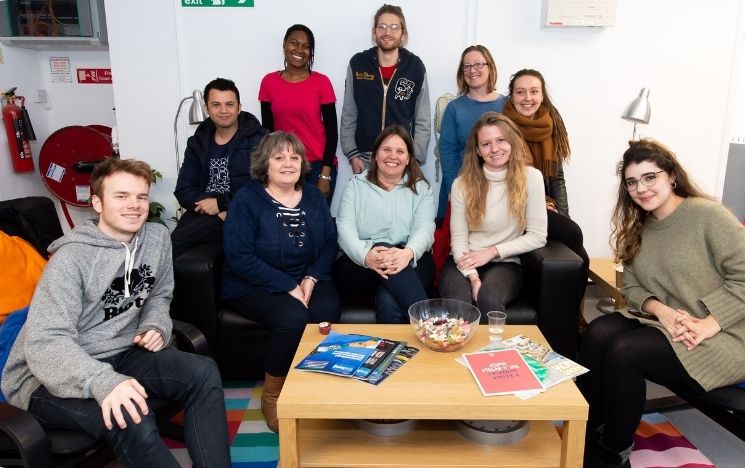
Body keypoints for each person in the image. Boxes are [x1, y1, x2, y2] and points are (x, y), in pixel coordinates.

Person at [1, 158, 230, 467]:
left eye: (141, 196)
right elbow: (46, 344)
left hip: (122, 350)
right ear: (97, 202)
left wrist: (155, 323)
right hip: (49, 375)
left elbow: (160, 294)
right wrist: (104, 382)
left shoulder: (156, 238)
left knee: (203, 372)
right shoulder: (70, 260)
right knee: (131, 414)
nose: (133, 205)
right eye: (121, 196)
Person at [577, 139, 745, 468]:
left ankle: (613, 453)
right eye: (632, 181)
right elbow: (635, 287)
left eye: (649, 177)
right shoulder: (640, 226)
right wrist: (662, 311)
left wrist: (709, 324)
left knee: (625, 352)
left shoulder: (707, 216)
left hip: (726, 335)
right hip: (674, 324)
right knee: (597, 332)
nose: (641, 188)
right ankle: (587, 432)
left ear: (671, 176)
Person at [221, 132, 340, 433]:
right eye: (279, 157)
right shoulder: (248, 199)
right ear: (265, 163)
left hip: (307, 275)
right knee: (293, 316)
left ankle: (313, 389)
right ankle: (272, 395)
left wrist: (311, 277)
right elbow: (239, 256)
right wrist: (287, 285)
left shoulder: (313, 194)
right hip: (252, 281)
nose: (288, 163)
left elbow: (329, 242)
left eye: (294, 157)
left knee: (326, 311)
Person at [503, 69, 589, 327]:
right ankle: (573, 316)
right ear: (512, 95)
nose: (527, 98)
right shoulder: (501, 126)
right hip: (514, 204)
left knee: (580, 252)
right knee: (573, 235)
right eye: (520, 92)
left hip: (545, 203)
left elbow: (557, 179)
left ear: (542, 95)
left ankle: (573, 313)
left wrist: (562, 215)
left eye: (533, 91)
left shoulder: (551, 124)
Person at [439, 112, 547, 315]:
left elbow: (537, 236)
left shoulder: (531, 178)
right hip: (465, 261)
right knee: (458, 304)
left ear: (512, 142)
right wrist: (472, 276)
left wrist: (491, 251)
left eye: (501, 140)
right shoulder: (461, 184)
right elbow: (459, 239)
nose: (495, 149)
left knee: (488, 298)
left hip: (505, 263)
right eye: (486, 144)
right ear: (478, 150)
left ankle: (493, 348)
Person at [335, 125, 434, 323]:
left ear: (408, 159)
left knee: (389, 299)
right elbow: (344, 229)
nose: (393, 156)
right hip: (360, 265)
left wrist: (407, 253)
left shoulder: (421, 189)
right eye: (386, 150)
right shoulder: (355, 185)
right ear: (376, 154)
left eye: (400, 151)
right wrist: (366, 256)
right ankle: (431, 323)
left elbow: (424, 229)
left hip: (409, 258)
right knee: (384, 251)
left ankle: (392, 353)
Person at [172, 77, 268, 259]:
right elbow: (184, 189)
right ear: (207, 108)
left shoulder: (262, 140)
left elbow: (266, 186)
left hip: (243, 212)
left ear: (239, 107)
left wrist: (223, 204)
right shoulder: (196, 142)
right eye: (216, 104)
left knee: (175, 241)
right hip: (203, 209)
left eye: (229, 104)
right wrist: (209, 205)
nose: (224, 110)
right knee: (169, 244)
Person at [340, 4, 431, 174]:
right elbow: (349, 112)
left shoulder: (415, 67)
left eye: (394, 27)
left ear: (403, 34)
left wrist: (415, 159)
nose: (387, 32)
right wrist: (351, 153)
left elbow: (423, 119)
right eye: (381, 26)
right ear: (374, 32)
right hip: (365, 158)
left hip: (401, 158)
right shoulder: (358, 63)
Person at [259, 24, 339, 204]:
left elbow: (332, 134)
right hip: (283, 165)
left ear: (311, 52)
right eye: (294, 43)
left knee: (315, 225)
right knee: (284, 225)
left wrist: (325, 176)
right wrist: (268, 170)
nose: (299, 50)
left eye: (306, 46)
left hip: (316, 165)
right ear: (284, 45)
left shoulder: (321, 82)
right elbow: (267, 132)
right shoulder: (268, 82)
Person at [437, 45, 507, 220]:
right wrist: (454, 189)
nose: (472, 70)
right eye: (466, 66)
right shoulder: (454, 108)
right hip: (463, 187)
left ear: (490, 67)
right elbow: (447, 151)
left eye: (478, 64)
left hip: (501, 189)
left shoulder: (507, 105)